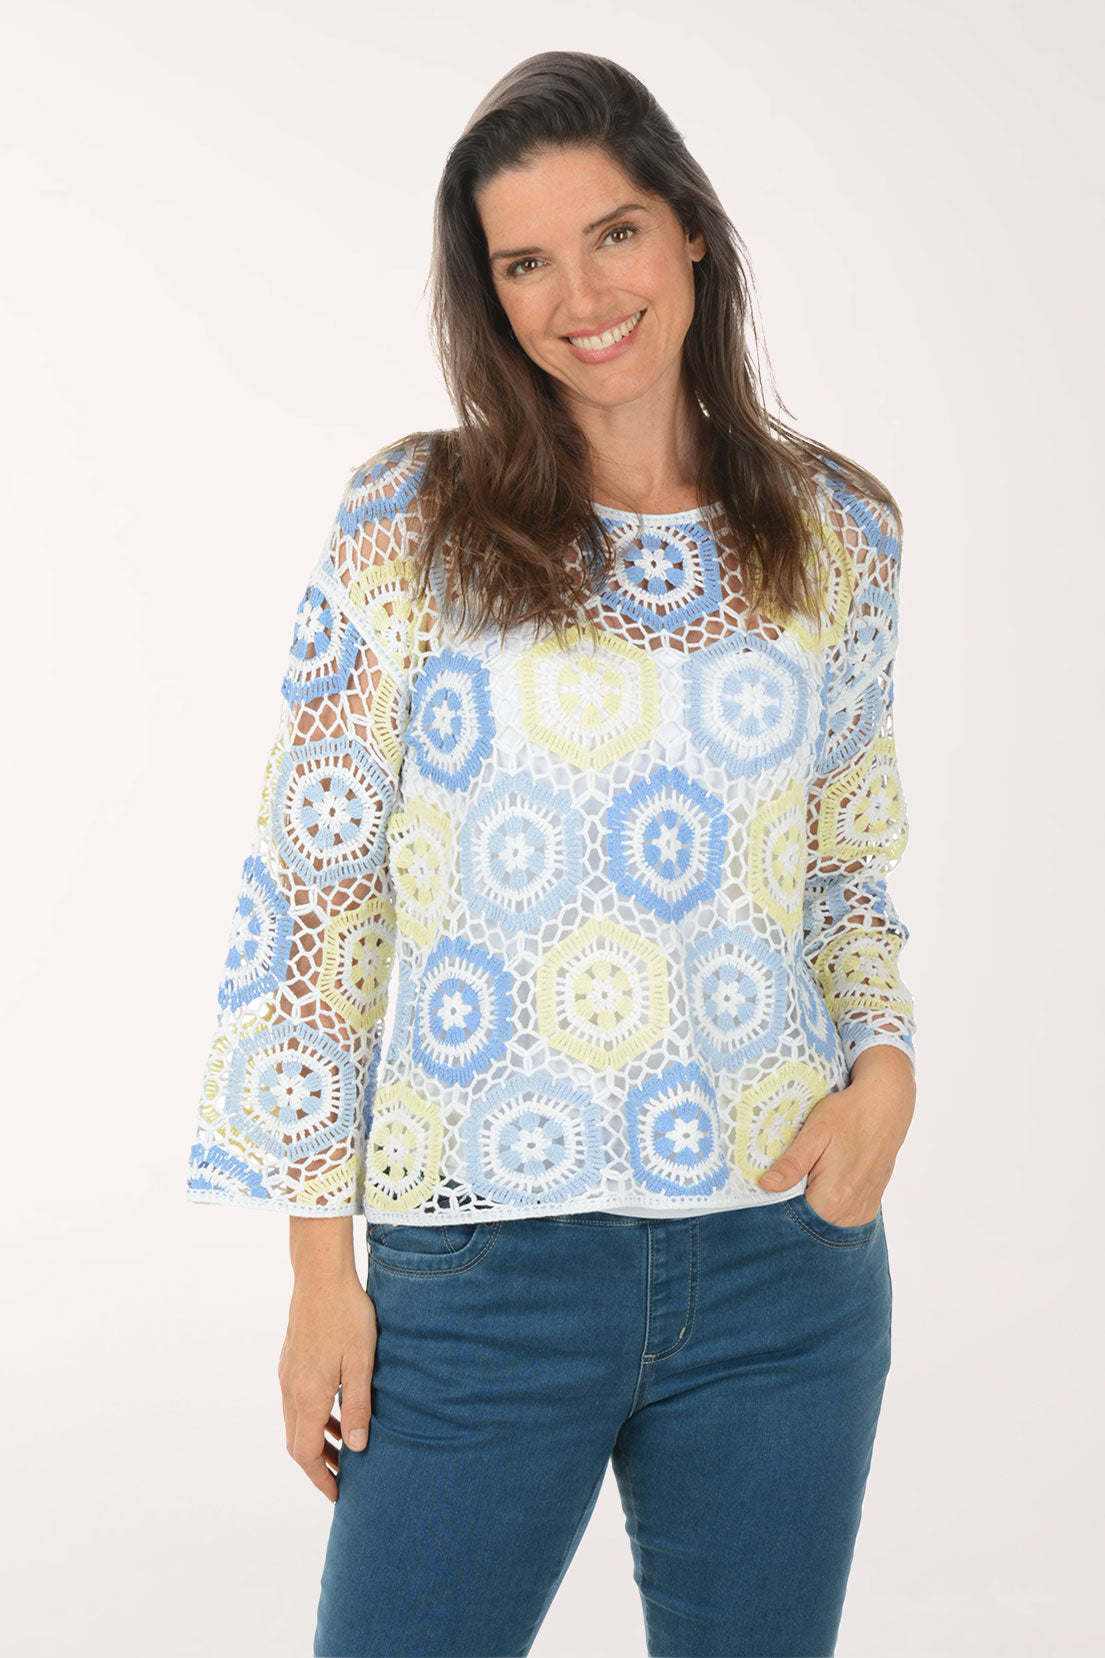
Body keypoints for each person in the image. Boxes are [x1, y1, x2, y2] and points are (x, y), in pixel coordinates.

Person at [186, 49, 918, 1658]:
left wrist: (885, 1074)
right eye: (522, 260)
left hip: (784, 1263)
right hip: (477, 1275)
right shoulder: (413, 520)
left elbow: (846, 870)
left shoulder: (836, 536)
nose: (575, 294)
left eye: (612, 234)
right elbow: (318, 896)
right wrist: (320, 1279)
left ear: (691, 237)